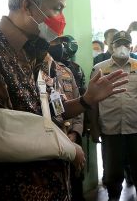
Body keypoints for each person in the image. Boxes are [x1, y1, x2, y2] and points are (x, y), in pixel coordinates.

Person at [0, 0, 128, 200]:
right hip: (13, 191)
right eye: (57, 8)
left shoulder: (40, 56)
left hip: (55, 187)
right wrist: (67, 148)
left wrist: (86, 100)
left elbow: (50, 114)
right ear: (28, 6)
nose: (61, 18)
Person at [90, 31, 137, 201]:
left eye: (126, 44)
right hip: (110, 128)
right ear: (111, 47)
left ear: (131, 46)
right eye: (118, 44)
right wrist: (94, 127)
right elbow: (93, 101)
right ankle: (113, 196)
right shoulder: (99, 69)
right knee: (112, 169)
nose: (122, 47)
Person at [43, 42, 85, 201]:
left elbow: (79, 104)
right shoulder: (33, 74)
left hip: (72, 139)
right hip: (51, 143)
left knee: (76, 182)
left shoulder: (67, 72)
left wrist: (75, 133)